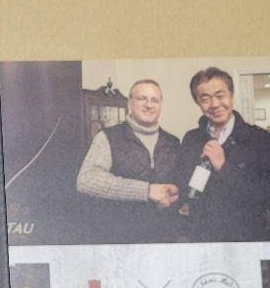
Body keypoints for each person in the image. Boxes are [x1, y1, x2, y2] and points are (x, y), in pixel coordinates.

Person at [76, 79, 181, 242]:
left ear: (160, 105)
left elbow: (179, 182)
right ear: (130, 103)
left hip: (163, 236)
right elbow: (87, 180)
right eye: (142, 98)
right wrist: (146, 191)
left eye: (155, 100)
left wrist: (176, 194)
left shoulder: (173, 142)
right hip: (121, 236)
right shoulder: (107, 137)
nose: (149, 105)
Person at [177, 67, 270, 242]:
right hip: (202, 239)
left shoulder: (259, 139)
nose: (214, 104)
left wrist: (224, 167)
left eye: (220, 95)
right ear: (198, 102)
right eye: (205, 99)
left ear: (231, 95)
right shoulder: (191, 139)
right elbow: (183, 184)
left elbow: (264, 193)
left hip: (247, 238)